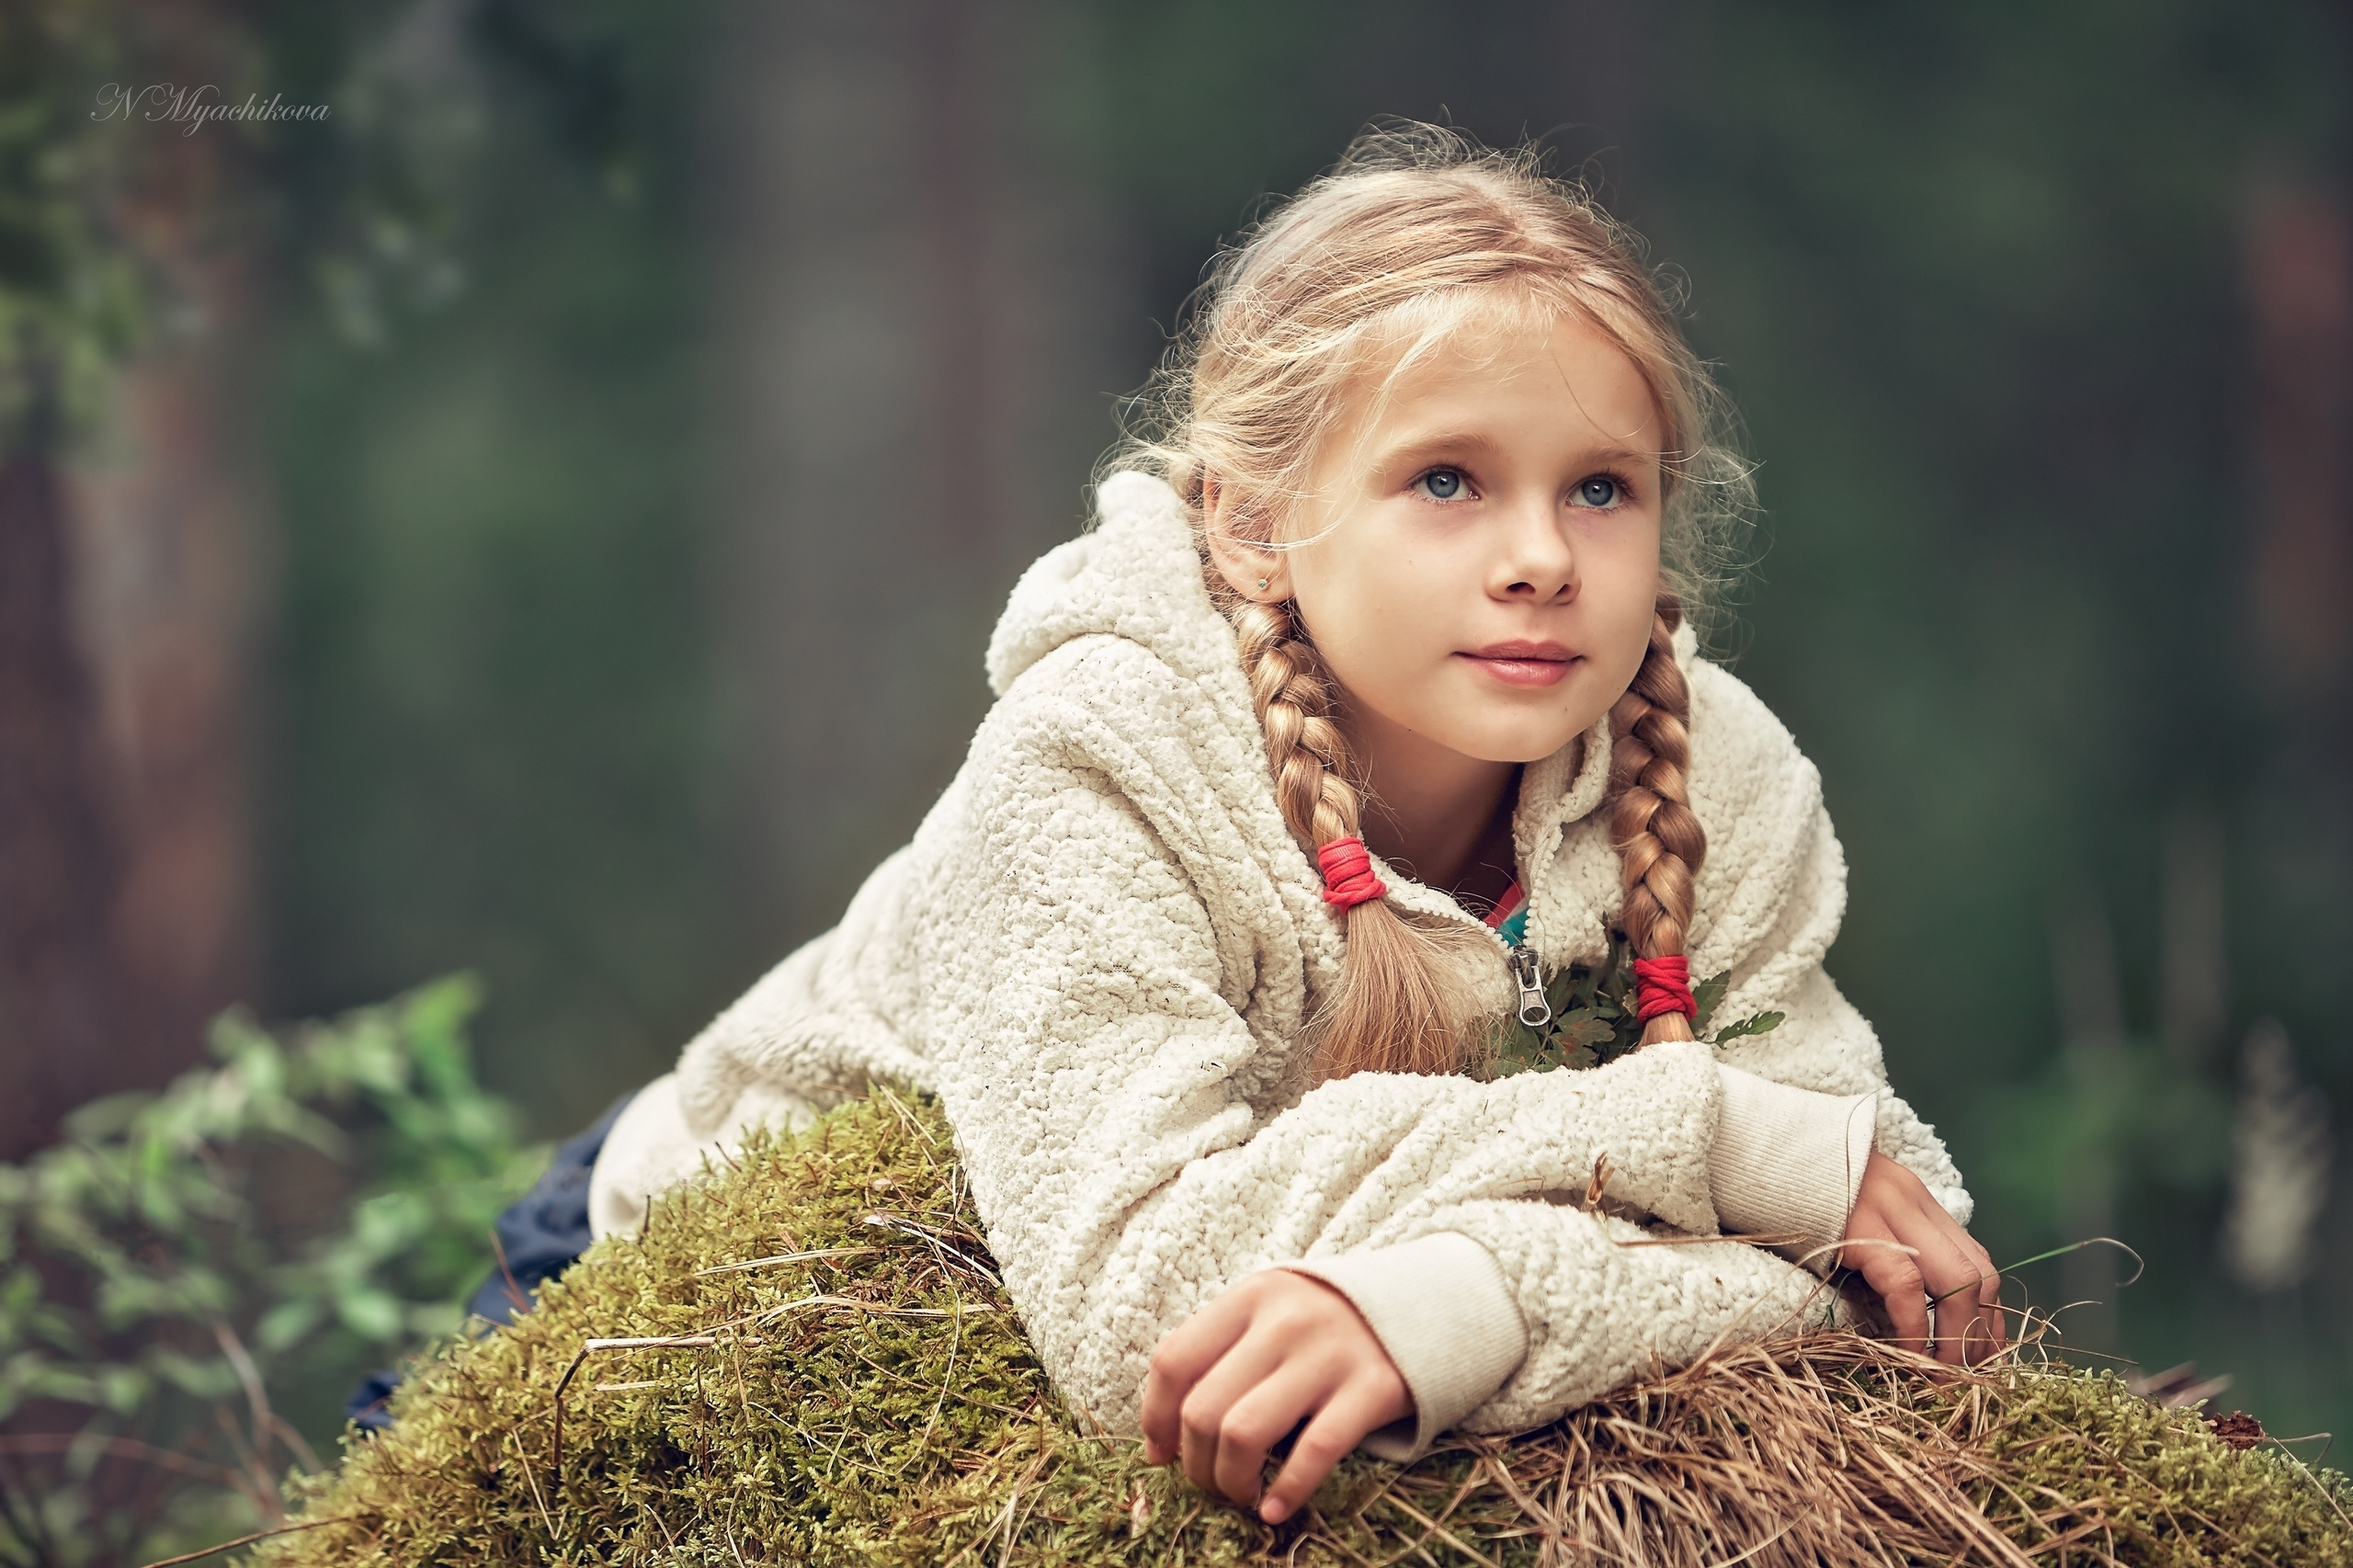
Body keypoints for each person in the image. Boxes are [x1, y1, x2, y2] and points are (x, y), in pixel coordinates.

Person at [580, 123, 2004, 1526]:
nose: (1540, 560)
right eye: (1446, 479)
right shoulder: (1100, 750)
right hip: (682, 1296)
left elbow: (1890, 1246)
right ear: (1255, 522)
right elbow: (1143, 1306)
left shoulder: (1716, 777)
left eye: (1600, 488)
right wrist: (1700, 1142)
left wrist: (1468, 1300)